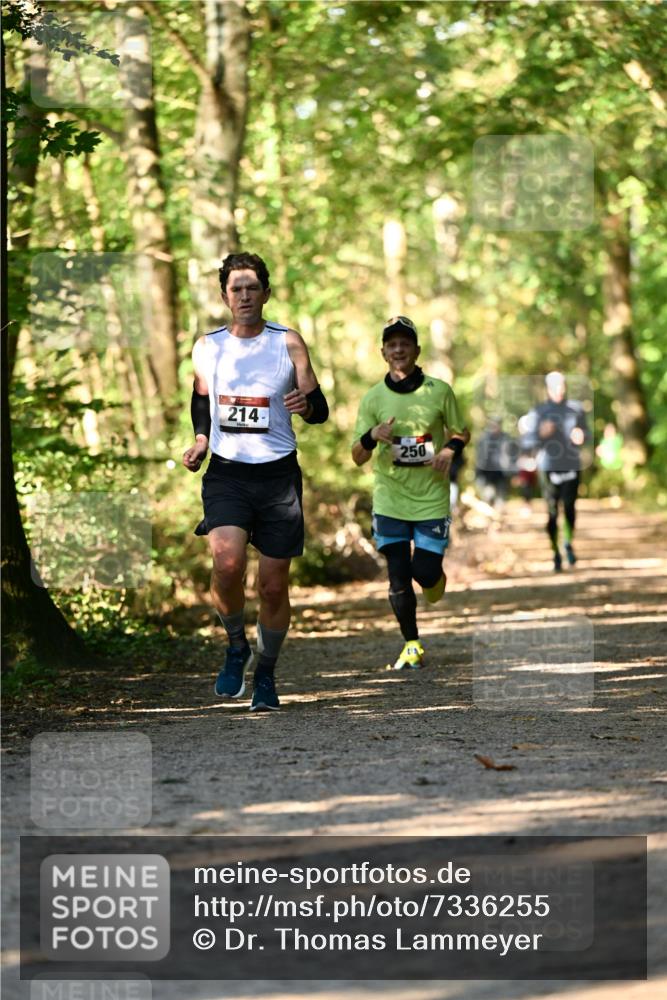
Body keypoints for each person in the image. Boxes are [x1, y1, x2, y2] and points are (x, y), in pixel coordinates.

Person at [183, 252, 328, 711]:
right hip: (227, 471)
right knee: (226, 566)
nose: (244, 295)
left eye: (252, 287)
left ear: (266, 292)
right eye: (235, 288)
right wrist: (201, 439)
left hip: (278, 476)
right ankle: (234, 646)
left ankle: (266, 673)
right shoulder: (208, 346)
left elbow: (319, 407)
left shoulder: (288, 342)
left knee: (272, 585)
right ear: (224, 295)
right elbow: (201, 399)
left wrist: (308, 408)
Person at [352, 316, 469, 670]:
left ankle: (436, 579)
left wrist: (449, 450)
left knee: (424, 571)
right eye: (392, 344)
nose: (398, 349)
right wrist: (371, 436)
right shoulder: (373, 398)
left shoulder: (439, 390)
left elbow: (460, 432)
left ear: (417, 350)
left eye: (405, 343)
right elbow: (357, 457)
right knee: (398, 574)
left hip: (431, 498)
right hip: (390, 497)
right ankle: (411, 643)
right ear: (383, 352)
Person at [521, 371, 589, 572]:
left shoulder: (576, 409)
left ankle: (567, 543)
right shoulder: (539, 412)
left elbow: (588, 433)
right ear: (548, 388)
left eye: (562, 386)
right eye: (555, 386)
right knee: (552, 510)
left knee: (569, 507)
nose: (560, 390)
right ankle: (555, 553)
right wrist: (542, 434)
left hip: (571, 464)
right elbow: (527, 441)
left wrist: (582, 435)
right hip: (548, 467)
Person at [474, 417, 516, 512]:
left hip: (501, 471)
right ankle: (490, 515)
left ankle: (498, 517)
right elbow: (479, 455)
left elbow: (511, 455)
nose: (494, 428)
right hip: (487, 472)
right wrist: (478, 470)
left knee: (501, 496)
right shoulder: (483, 438)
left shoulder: (506, 438)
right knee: (488, 495)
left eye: (496, 425)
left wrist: (513, 471)